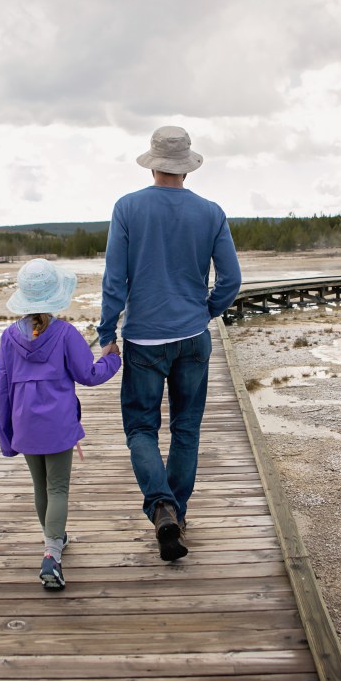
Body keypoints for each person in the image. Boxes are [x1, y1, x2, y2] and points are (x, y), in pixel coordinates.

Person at [98, 126, 241, 561]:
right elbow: (231, 280)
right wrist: (207, 311)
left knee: (141, 428)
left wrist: (107, 334)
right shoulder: (211, 212)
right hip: (193, 338)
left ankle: (161, 506)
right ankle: (177, 512)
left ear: (154, 162)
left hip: (143, 340)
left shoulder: (127, 208)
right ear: (186, 167)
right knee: (186, 429)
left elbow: (115, 280)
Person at [0, 257, 121, 590]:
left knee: (41, 487)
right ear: (55, 296)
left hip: (24, 423)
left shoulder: (9, 337)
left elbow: (3, 389)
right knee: (58, 488)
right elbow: (89, 375)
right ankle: (52, 555)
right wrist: (112, 358)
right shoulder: (65, 333)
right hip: (58, 424)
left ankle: (56, 539)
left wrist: (6, 436)